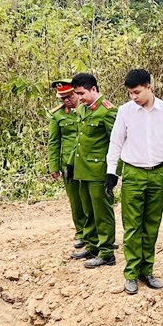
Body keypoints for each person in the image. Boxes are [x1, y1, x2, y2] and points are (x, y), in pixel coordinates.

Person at [107, 69, 163, 295]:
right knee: (132, 226)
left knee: (152, 224)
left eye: (137, 92)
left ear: (149, 87)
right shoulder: (125, 112)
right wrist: (111, 172)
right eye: (130, 93)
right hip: (133, 173)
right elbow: (115, 143)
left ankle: (147, 270)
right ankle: (131, 273)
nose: (134, 97)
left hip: (157, 174)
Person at [70, 72, 117, 269]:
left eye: (81, 93)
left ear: (94, 89)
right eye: (77, 94)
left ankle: (106, 252)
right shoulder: (83, 109)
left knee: (102, 212)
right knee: (87, 210)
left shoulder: (107, 111)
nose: (79, 98)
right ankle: (92, 245)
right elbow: (81, 140)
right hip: (82, 169)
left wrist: (113, 172)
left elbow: (116, 143)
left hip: (99, 170)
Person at [47, 80, 87, 249]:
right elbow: (54, 142)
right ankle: (81, 233)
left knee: (92, 200)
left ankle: (99, 233)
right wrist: (53, 166)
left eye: (69, 96)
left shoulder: (87, 110)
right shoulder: (58, 115)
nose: (66, 101)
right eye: (62, 98)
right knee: (76, 200)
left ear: (76, 93)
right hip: (68, 164)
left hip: (87, 162)